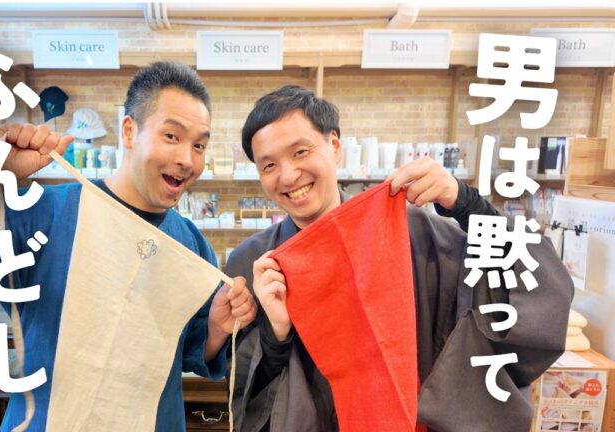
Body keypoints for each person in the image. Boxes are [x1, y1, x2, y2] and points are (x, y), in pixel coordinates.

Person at [0, 62, 257, 431]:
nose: (186, 159)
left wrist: (215, 328)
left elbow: (188, 351)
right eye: (172, 136)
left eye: (199, 145)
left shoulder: (190, 244)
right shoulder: (42, 214)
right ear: (130, 131)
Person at [226, 85, 573, 432]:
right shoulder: (254, 265)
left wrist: (469, 205)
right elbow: (243, 393)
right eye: (269, 165)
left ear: (334, 146)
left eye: (301, 152)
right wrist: (276, 336)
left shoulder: (420, 236)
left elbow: (534, 285)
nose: (288, 175)